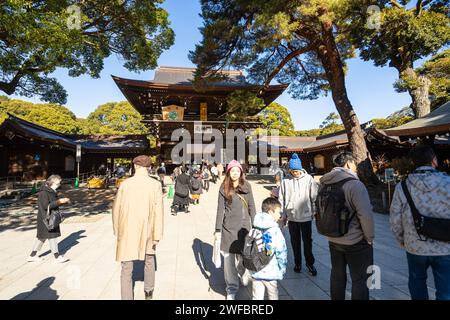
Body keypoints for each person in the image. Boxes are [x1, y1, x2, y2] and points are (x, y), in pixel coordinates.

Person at [390, 145, 450, 300]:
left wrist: (401, 239)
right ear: (434, 161)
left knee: (417, 283)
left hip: (415, 244)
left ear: (412, 162)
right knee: (446, 290)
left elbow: (395, 217)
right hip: (445, 246)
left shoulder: (402, 186)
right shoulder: (448, 182)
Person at [319, 151, 374, 300]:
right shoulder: (354, 184)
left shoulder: (324, 183)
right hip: (355, 240)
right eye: (354, 163)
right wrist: (369, 238)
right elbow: (365, 214)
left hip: (333, 238)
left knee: (337, 275)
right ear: (348, 164)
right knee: (360, 279)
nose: (355, 167)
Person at [112, 155, 164, 300]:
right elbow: (158, 211)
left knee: (126, 266)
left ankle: (127, 297)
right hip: (148, 227)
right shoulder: (155, 185)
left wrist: (117, 229)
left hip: (128, 227)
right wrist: (157, 234)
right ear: (148, 167)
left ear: (135, 166)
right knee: (149, 259)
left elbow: (116, 208)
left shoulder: (125, 184)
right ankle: (148, 291)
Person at [215, 160, 256, 300]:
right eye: (232, 170)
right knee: (228, 260)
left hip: (244, 228)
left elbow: (252, 207)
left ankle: (242, 272)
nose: (234, 173)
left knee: (244, 257)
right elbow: (220, 210)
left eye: (237, 171)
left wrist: (256, 226)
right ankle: (231, 288)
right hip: (228, 228)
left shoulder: (247, 186)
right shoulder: (223, 187)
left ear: (241, 172)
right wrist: (217, 230)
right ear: (228, 172)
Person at [279, 153, 319, 276]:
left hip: (306, 216)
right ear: (289, 170)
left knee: (308, 241)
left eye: (296, 170)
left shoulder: (309, 180)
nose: (295, 173)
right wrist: (283, 214)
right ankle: (298, 263)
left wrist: (314, 211)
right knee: (294, 242)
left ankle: (310, 263)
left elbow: (314, 197)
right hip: (292, 216)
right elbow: (282, 198)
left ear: (301, 169)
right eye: (292, 170)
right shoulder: (285, 181)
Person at [27, 175, 70, 263]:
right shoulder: (44, 192)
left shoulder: (51, 191)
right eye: (57, 183)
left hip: (50, 217)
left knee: (42, 237)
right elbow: (45, 206)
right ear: (51, 183)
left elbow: (54, 203)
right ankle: (57, 257)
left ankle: (32, 256)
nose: (58, 185)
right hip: (46, 218)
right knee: (52, 236)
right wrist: (59, 201)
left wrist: (62, 201)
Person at [251, 197, 288, 300]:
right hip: (270, 271)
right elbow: (281, 251)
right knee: (273, 296)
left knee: (256, 297)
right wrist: (282, 267)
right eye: (278, 212)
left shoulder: (255, 226)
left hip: (256, 269)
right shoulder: (275, 230)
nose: (280, 215)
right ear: (271, 212)